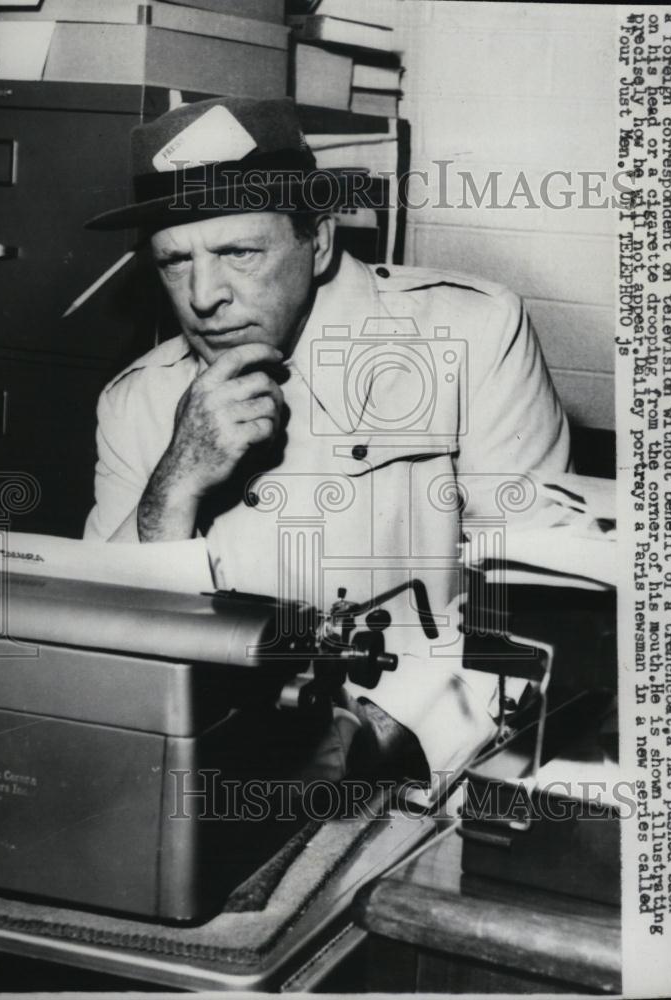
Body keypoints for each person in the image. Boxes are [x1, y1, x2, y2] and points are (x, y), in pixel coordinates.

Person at [83, 97, 571, 782]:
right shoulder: (137, 399)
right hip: (203, 764)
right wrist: (176, 482)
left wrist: (380, 731)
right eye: (173, 261)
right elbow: (98, 644)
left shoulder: (467, 335)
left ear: (318, 240)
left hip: (420, 765)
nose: (202, 296)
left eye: (237, 253)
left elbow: (532, 599)